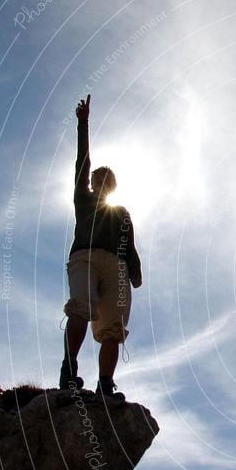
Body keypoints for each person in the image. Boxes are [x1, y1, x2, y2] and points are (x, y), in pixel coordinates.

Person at [59, 94, 142, 398]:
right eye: (96, 177)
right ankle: (69, 370)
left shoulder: (121, 212)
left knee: (113, 328)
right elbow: (82, 160)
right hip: (85, 258)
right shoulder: (83, 198)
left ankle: (105, 384)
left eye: (105, 177)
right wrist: (83, 123)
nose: (99, 179)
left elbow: (129, 244)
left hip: (117, 268)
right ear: (91, 181)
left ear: (113, 185)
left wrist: (135, 270)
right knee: (81, 307)